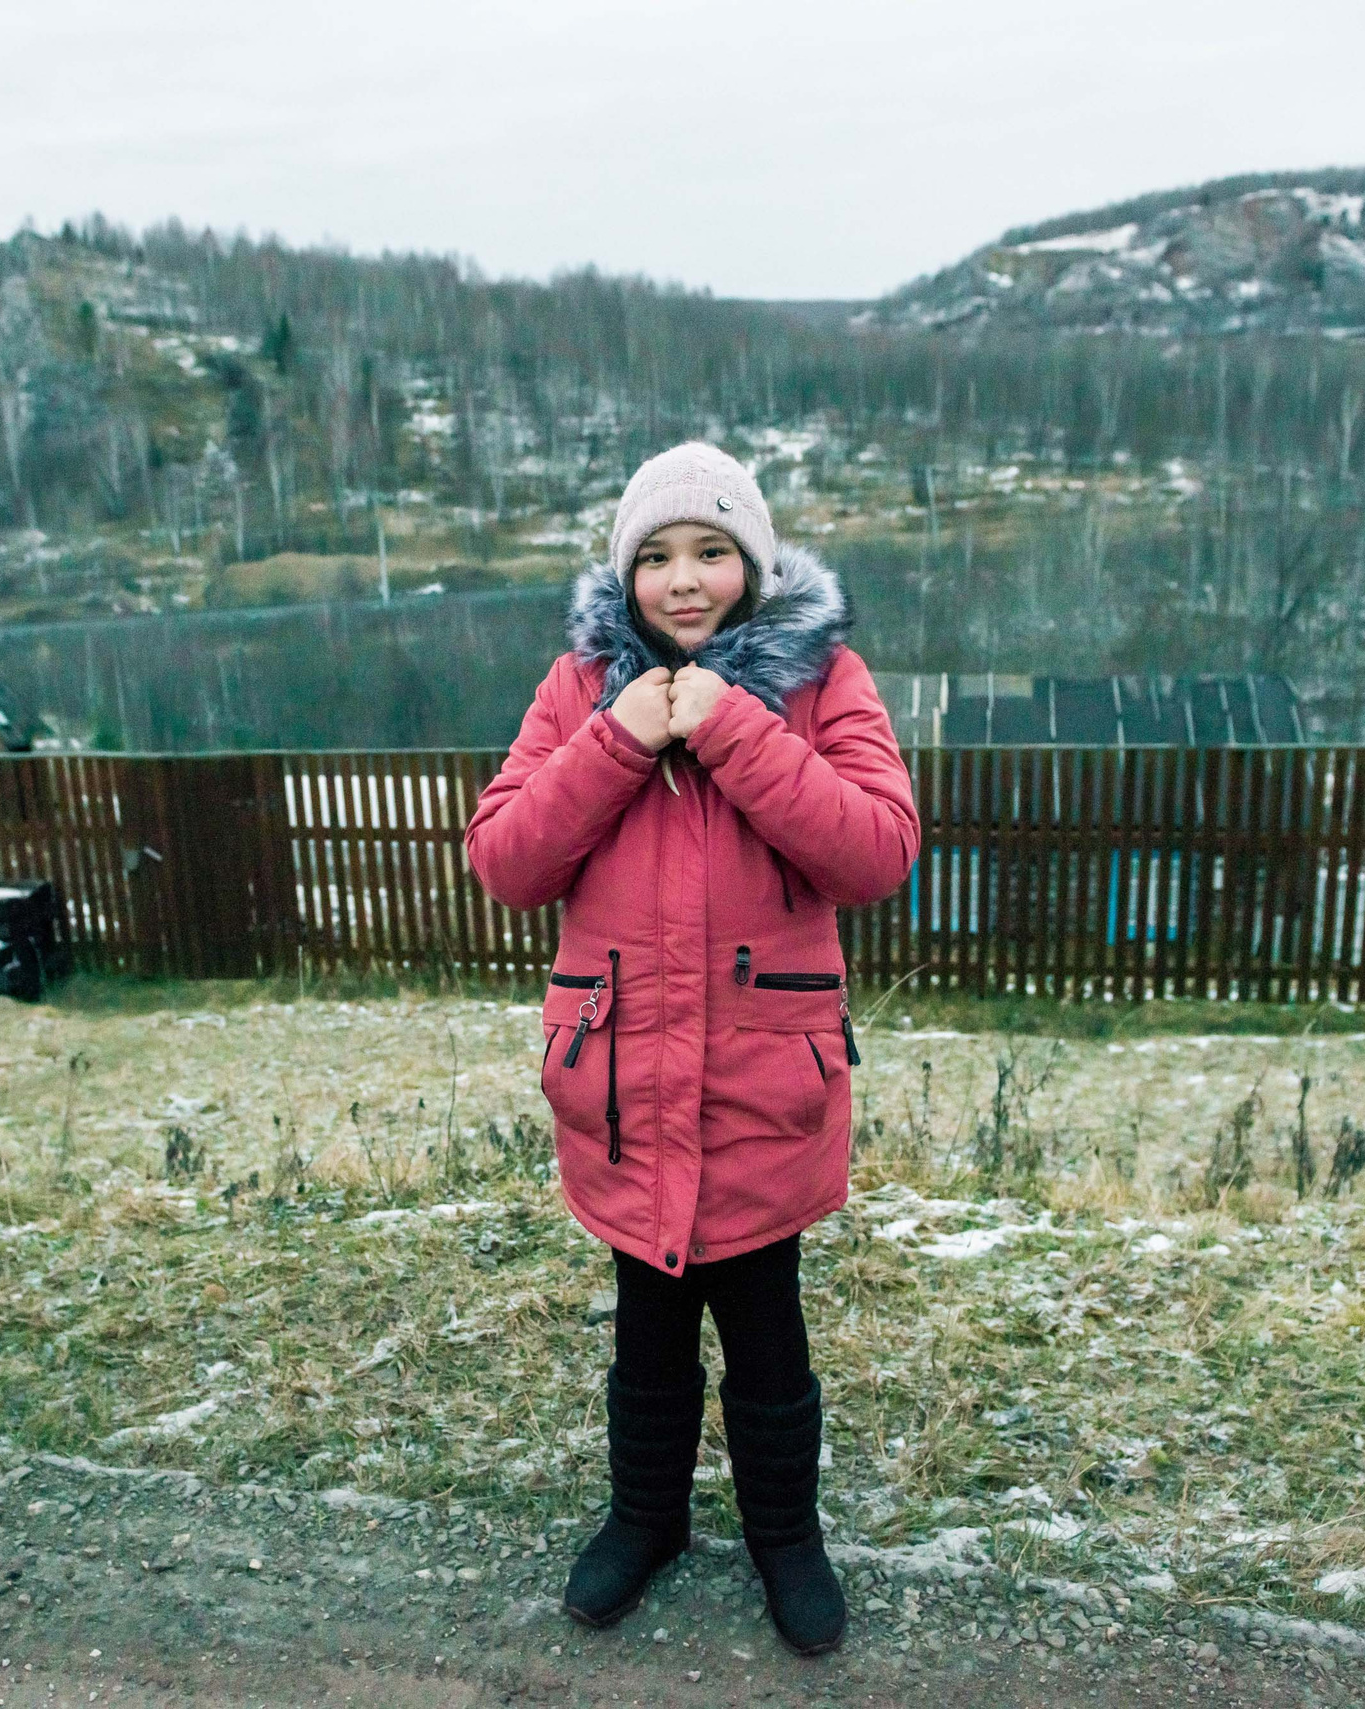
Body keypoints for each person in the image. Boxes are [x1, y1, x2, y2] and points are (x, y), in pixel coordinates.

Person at [463, 442, 920, 1656]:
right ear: (625, 574)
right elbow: (506, 860)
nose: (682, 579)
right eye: (656, 555)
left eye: (711, 551)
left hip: (765, 1092)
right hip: (623, 1088)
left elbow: (875, 850)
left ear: (752, 565)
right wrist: (616, 738)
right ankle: (645, 1517)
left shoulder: (822, 680)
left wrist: (734, 729)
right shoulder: (578, 687)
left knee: (768, 1337)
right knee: (647, 1333)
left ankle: (787, 1537)